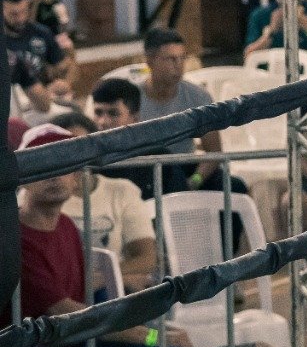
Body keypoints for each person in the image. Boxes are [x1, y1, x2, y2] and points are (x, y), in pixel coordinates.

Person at [1, 124, 202, 347]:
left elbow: (87, 299)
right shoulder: (13, 237)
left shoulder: (67, 226)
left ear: (76, 177)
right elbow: (71, 313)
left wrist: (155, 327)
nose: (54, 177)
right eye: (42, 166)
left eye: (63, 166)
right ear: (22, 177)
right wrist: (153, 336)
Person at [48, 111, 159, 294]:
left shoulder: (122, 191)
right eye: (63, 148)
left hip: (109, 292)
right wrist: (117, 277)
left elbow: (147, 257)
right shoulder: (39, 195)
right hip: (59, 291)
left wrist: (102, 278)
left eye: (81, 146)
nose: (74, 156)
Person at [136, 28, 238, 195]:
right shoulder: (132, 98)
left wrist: (194, 181)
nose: (178, 65)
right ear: (149, 61)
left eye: (182, 58)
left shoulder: (198, 97)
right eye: (170, 59)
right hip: (144, 169)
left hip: (185, 168)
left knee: (235, 186)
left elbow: (214, 152)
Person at [89, 77, 190, 199]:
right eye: (98, 113)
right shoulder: (86, 160)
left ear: (135, 119)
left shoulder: (159, 159)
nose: (103, 122)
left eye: (113, 113)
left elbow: (181, 203)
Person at [3, 0, 65, 120]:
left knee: (70, 116)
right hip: (10, 103)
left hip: (43, 97)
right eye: (14, 14)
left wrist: (64, 83)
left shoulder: (42, 33)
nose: (20, 18)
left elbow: (64, 68)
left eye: (24, 12)